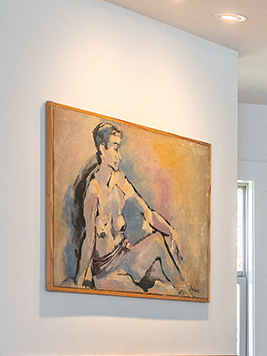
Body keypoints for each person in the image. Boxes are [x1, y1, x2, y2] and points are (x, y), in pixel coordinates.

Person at [69, 120, 185, 293]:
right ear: (102, 149)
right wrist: (80, 279)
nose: (119, 156)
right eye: (115, 148)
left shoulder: (120, 181)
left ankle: (186, 290)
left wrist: (171, 231)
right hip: (106, 269)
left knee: (158, 240)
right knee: (143, 293)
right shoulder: (94, 191)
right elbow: (90, 238)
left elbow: (147, 213)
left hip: (125, 255)